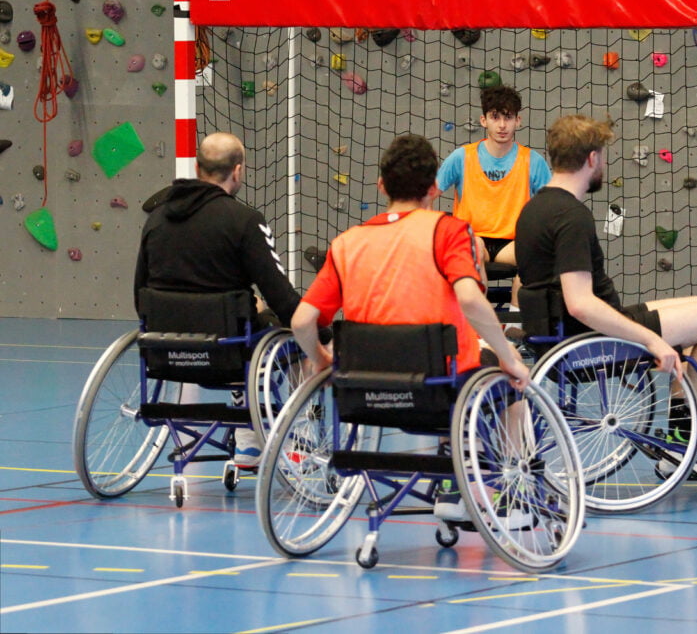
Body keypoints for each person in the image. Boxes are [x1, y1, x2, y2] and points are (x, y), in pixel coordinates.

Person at [290, 134, 531, 523]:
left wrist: (320, 360)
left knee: (458, 364)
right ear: (435, 189)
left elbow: (302, 320)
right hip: (438, 388)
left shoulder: (346, 243)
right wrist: (509, 357)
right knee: (509, 378)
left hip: (363, 391)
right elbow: (470, 299)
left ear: (381, 185)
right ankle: (510, 496)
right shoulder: (447, 230)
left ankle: (454, 475)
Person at [515, 115, 697, 457]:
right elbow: (580, 304)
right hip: (590, 341)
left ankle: (683, 436)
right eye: (602, 156)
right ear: (592, 158)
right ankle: (687, 443)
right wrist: (650, 340)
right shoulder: (571, 216)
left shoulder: (533, 210)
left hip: (561, 334)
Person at [134, 131, 301, 469]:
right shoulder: (244, 220)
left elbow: (140, 293)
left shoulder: (156, 218)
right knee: (293, 335)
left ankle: (249, 436)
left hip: (164, 351)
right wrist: (321, 332)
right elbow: (280, 294)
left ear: (197, 168)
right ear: (238, 171)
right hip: (228, 350)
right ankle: (291, 439)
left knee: (250, 316)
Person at [436, 85, 552, 308]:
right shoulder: (462, 156)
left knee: (537, 256)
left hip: (513, 243)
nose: (501, 125)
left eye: (508, 117)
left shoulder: (533, 160)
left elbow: (552, 203)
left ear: (518, 121)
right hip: (473, 238)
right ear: (483, 120)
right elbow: (429, 192)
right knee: (472, 249)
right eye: (495, 117)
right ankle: (477, 331)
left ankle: (514, 331)